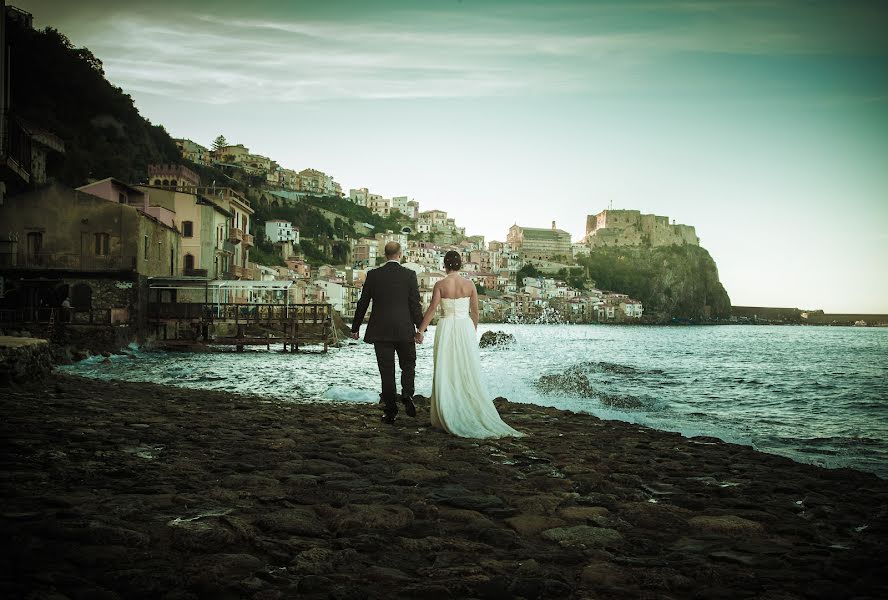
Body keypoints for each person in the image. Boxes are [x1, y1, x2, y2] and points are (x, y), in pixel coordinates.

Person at [416, 250, 523, 438]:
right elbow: (475, 312)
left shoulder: (440, 284)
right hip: (465, 327)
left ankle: (448, 408)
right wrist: (471, 331)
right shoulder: (469, 284)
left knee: (446, 367)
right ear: (461, 265)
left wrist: (420, 331)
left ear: (445, 265)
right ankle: (467, 404)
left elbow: (432, 309)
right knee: (466, 368)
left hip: (447, 326)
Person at [351, 242, 423, 424]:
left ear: (385, 255)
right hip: (404, 329)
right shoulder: (409, 275)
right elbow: (415, 304)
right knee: (408, 364)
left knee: (387, 371)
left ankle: (390, 411)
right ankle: (407, 394)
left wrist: (355, 327)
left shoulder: (373, 275)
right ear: (400, 254)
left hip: (381, 331)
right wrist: (420, 328)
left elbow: (363, 302)